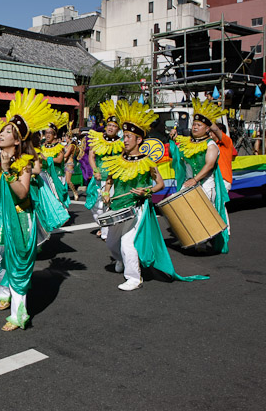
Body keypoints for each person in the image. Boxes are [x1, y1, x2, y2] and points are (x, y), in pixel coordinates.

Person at [102, 100, 209, 290]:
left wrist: (147, 191)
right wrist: (105, 193)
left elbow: (159, 184)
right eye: (124, 136)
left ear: (138, 140)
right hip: (117, 208)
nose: (125, 139)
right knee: (111, 243)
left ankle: (134, 278)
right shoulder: (116, 159)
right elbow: (109, 181)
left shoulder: (148, 162)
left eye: (128, 136)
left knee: (128, 243)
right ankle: (121, 261)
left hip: (136, 208)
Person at [0, 89, 54, 331]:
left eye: (7, 132)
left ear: (17, 140)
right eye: (3, 131)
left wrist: (8, 171)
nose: (1, 134)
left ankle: (19, 315)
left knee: (18, 268)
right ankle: (3, 290)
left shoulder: (24, 163)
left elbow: (23, 193)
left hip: (20, 220)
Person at [168, 97, 230, 254]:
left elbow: (209, 165)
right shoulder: (186, 142)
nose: (195, 127)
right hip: (189, 181)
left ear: (206, 129)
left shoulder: (211, 144)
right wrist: (173, 139)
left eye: (199, 125)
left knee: (203, 211)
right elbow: (175, 152)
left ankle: (202, 241)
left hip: (205, 183)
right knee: (184, 210)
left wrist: (195, 180)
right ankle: (193, 237)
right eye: (194, 124)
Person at [85, 100, 124, 240]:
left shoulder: (121, 142)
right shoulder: (98, 139)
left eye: (114, 126)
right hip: (98, 178)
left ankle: (107, 233)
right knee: (95, 207)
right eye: (109, 125)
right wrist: (95, 170)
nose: (111, 128)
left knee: (108, 205)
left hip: (112, 179)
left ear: (118, 128)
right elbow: (91, 156)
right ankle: (103, 226)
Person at [39, 110, 70, 208]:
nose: (47, 135)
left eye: (50, 133)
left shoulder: (59, 146)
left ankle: (62, 215)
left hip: (57, 175)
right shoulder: (43, 146)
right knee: (49, 197)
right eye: (46, 133)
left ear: (55, 135)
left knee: (58, 196)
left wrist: (46, 158)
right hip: (45, 175)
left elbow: (60, 160)